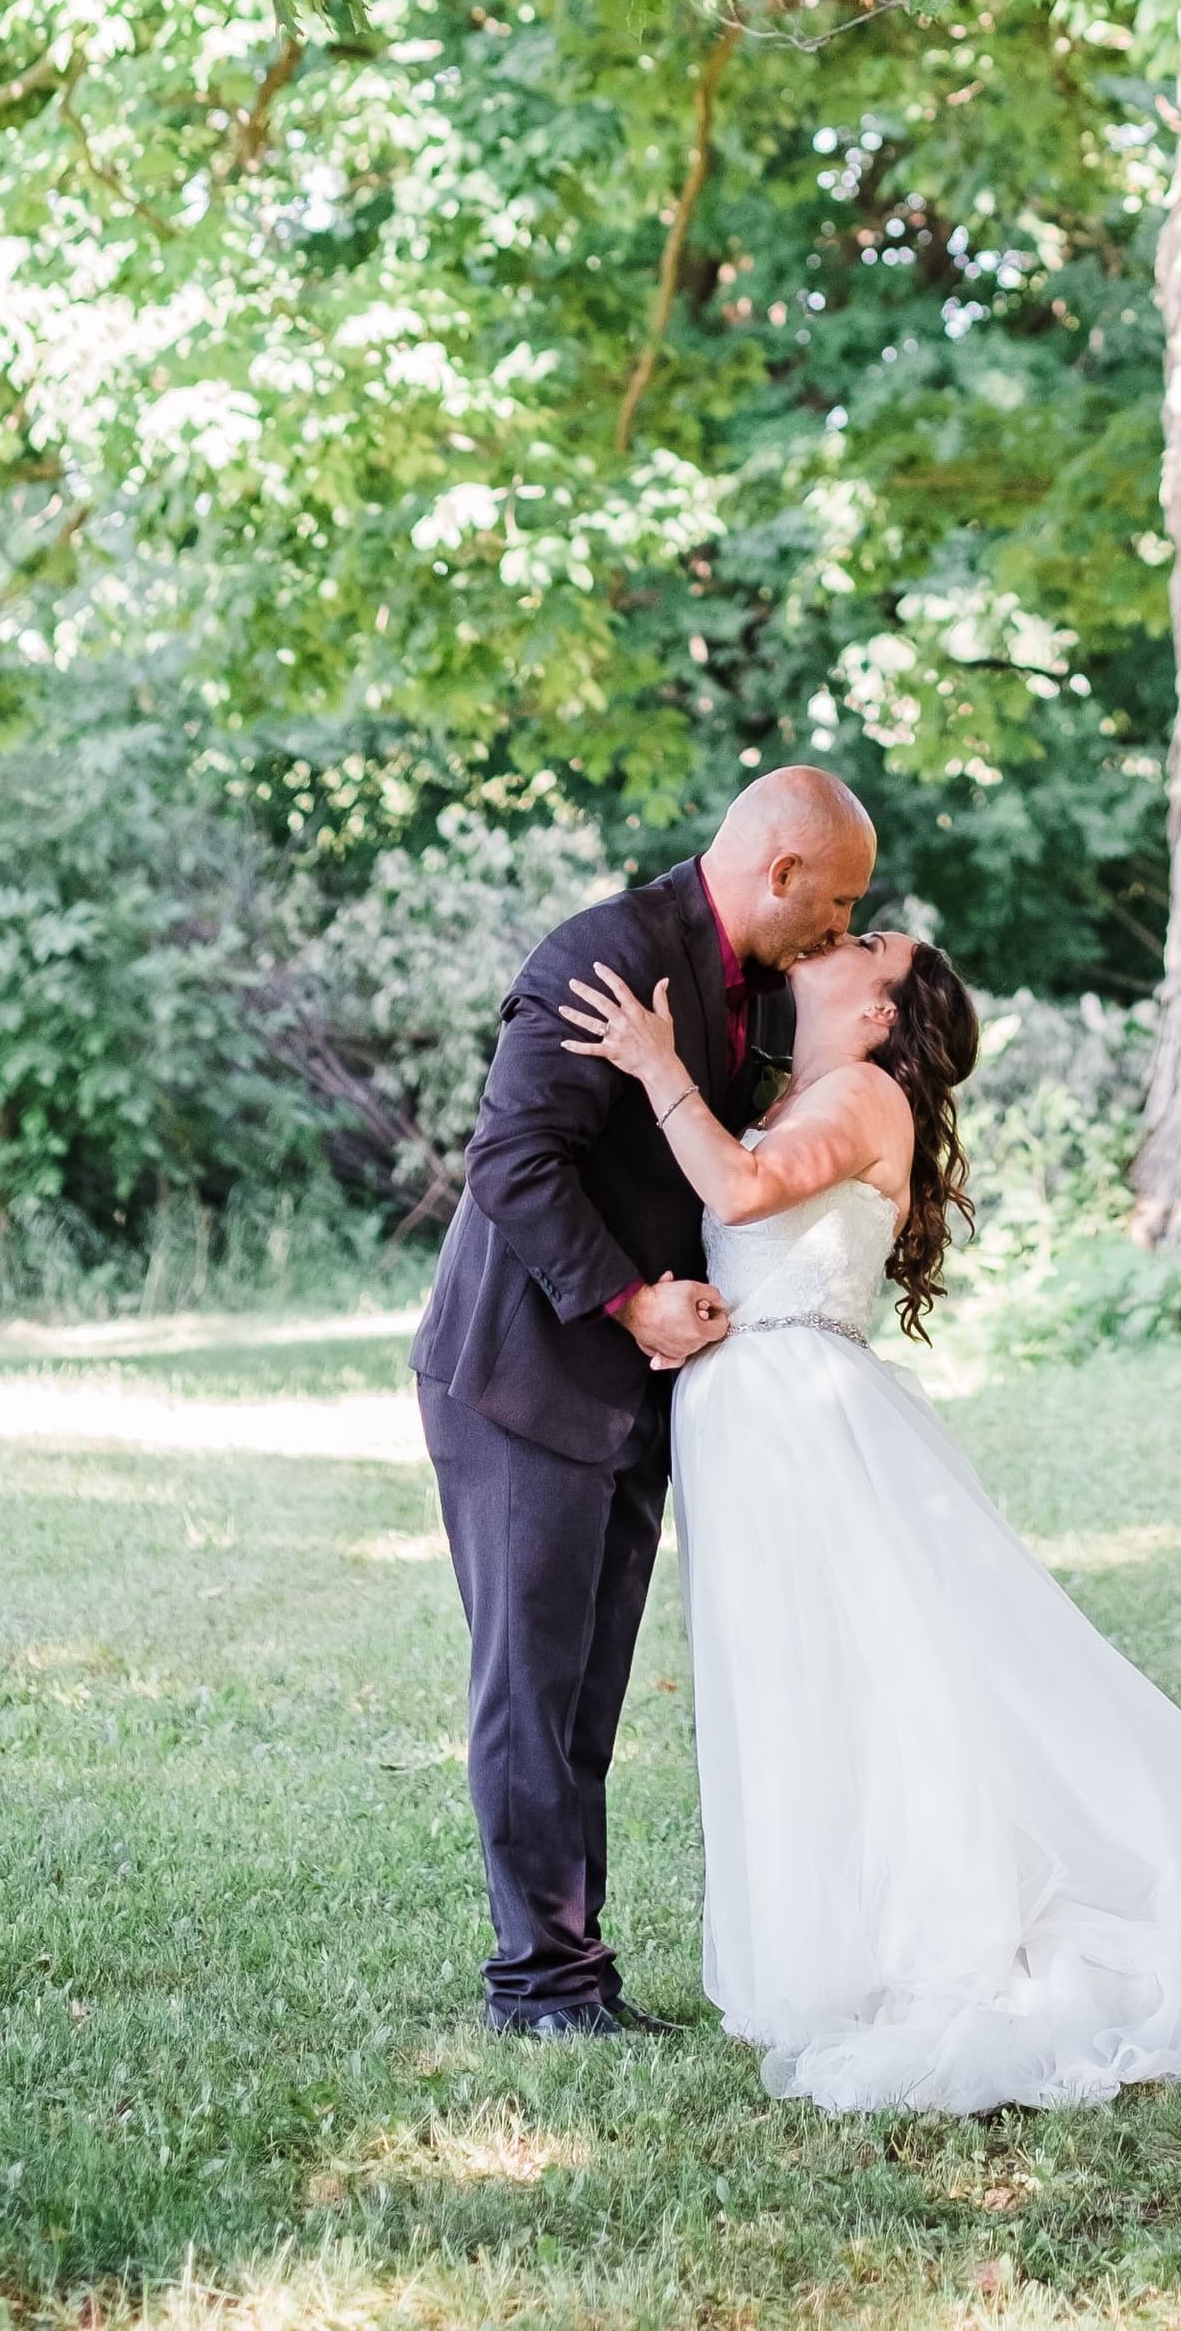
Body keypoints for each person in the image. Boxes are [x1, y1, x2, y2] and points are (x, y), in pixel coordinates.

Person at [565, 917, 1181, 2112]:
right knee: (808, 1685)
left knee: (883, 1681)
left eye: (870, 941)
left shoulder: (864, 1093)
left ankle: (951, 1932)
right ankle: (863, 1942)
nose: (844, 934)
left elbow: (747, 1188)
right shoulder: (810, 1087)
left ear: (876, 1010)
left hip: (804, 1424)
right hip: (753, 1416)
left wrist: (658, 1067)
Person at [407, 762, 878, 2036]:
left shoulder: (761, 986)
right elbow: (509, 1158)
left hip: (639, 1396)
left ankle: (576, 1975)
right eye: (834, 910)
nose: (837, 935)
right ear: (779, 874)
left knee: (588, 1694)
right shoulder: (606, 955)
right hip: (526, 1374)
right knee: (530, 1687)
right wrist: (627, 1301)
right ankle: (540, 1987)